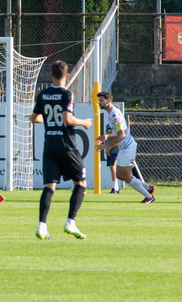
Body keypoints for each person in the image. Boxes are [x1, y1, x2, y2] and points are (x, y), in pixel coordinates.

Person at [30, 60, 93, 240]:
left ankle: (42, 226)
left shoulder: (43, 94)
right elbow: (67, 119)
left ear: (50, 75)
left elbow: (34, 118)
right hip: (66, 145)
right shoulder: (67, 94)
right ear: (66, 76)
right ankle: (70, 222)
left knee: (49, 187)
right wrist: (84, 123)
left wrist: (50, 122)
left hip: (49, 144)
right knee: (80, 183)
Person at [95, 91, 155, 203]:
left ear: (108, 101)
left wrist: (107, 145)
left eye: (101, 100)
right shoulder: (111, 113)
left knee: (126, 176)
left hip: (128, 147)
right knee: (119, 174)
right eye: (99, 100)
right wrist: (107, 136)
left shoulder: (114, 115)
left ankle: (149, 196)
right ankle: (148, 188)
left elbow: (121, 135)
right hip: (124, 147)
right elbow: (119, 133)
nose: (99, 103)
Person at [97, 120, 120, 193]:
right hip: (109, 150)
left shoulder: (118, 126)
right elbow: (106, 137)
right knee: (112, 168)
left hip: (116, 150)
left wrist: (109, 148)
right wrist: (106, 147)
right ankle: (116, 187)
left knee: (113, 167)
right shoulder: (108, 126)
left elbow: (118, 139)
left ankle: (115, 188)